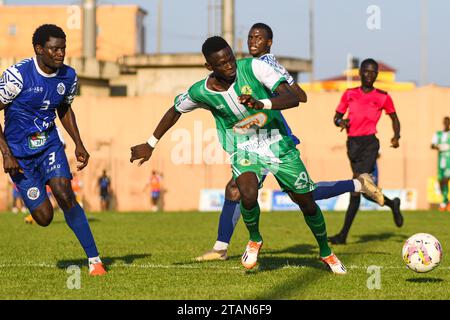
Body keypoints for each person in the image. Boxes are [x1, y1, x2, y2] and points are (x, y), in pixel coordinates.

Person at [131, 36, 347, 274]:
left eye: (231, 59)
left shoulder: (254, 67)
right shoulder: (201, 92)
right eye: (222, 63)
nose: (230, 66)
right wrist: (151, 144)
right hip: (243, 147)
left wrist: (261, 103)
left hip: (277, 142)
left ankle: (326, 252)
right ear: (209, 67)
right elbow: (175, 111)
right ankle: (254, 239)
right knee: (246, 191)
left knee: (306, 202)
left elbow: (293, 97)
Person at [196, 23, 383, 262]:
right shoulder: (246, 66)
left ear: (269, 42)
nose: (253, 41)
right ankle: (221, 248)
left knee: (304, 195)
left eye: (259, 38)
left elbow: (299, 97)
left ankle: (357, 184)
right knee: (236, 189)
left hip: (272, 139)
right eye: (251, 37)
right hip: (254, 139)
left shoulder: (265, 65)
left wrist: (265, 99)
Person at [0, 24, 106, 275]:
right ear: (39, 49)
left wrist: (79, 143)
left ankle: (95, 261)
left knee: (65, 193)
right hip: (18, 155)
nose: (61, 53)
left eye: (63, 48)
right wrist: (6, 153)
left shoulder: (68, 76)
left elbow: (65, 108)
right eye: (55, 49)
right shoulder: (17, 76)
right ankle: (32, 194)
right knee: (44, 218)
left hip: (49, 144)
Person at [328, 58, 404, 245]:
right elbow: (336, 117)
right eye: (366, 71)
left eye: (373, 72)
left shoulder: (383, 96)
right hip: (352, 144)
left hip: (370, 144)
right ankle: (392, 203)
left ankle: (342, 236)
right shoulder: (349, 93)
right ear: (360, 73)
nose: (369, 75)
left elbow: (394, 118)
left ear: (376, 75)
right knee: (362, 190)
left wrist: (396, 136)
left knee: (357, 185)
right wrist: (341, 122)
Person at [431, 116, 450, 211]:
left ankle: (445, 202)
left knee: (446, 179)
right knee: (441, 180)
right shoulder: (438, 134)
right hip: (441, 161)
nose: (446, 124)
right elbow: (432, 145)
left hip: (449, 161)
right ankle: (446, 201)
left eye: (448, 122)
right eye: (445, 122)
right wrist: (438, 146)